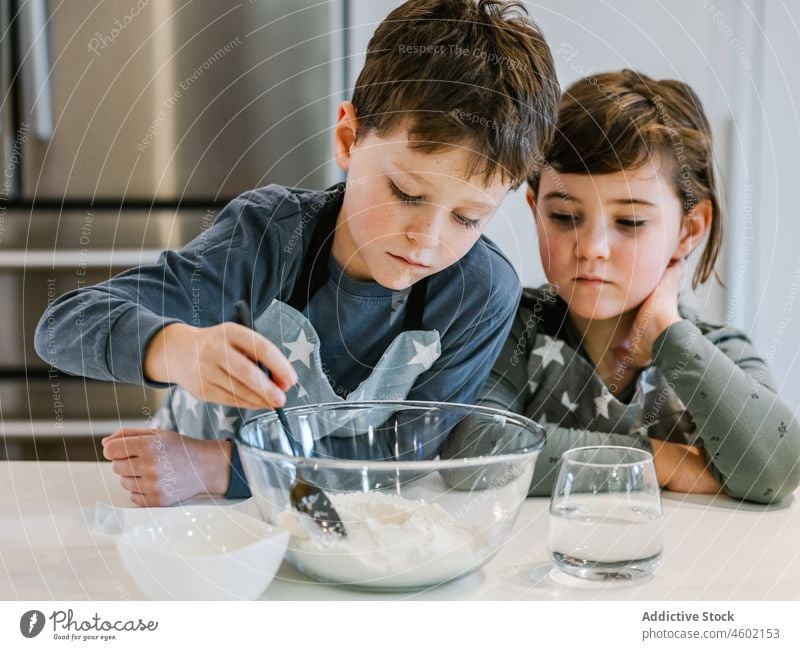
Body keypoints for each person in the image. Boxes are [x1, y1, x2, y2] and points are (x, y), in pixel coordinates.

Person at [35, 0, 560, 506]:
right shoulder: (269, 236)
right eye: (405, 193)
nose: (426, 238)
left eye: (468, 217)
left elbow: (402, 455)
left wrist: (223, 466)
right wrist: (177, 349)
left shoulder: (481, 293)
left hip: (330, 514)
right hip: (193, 510)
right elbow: (63, 326)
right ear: (349, 138)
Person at [441, 70, 800, 504]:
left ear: (689, 229)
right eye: (564, 217)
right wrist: (657, 462)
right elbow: (474, 451)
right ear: (536, 210)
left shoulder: (715, 350)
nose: (592, 248)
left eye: (629, 222)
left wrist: (670, 333)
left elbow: (776, 472)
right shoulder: (515, 328)